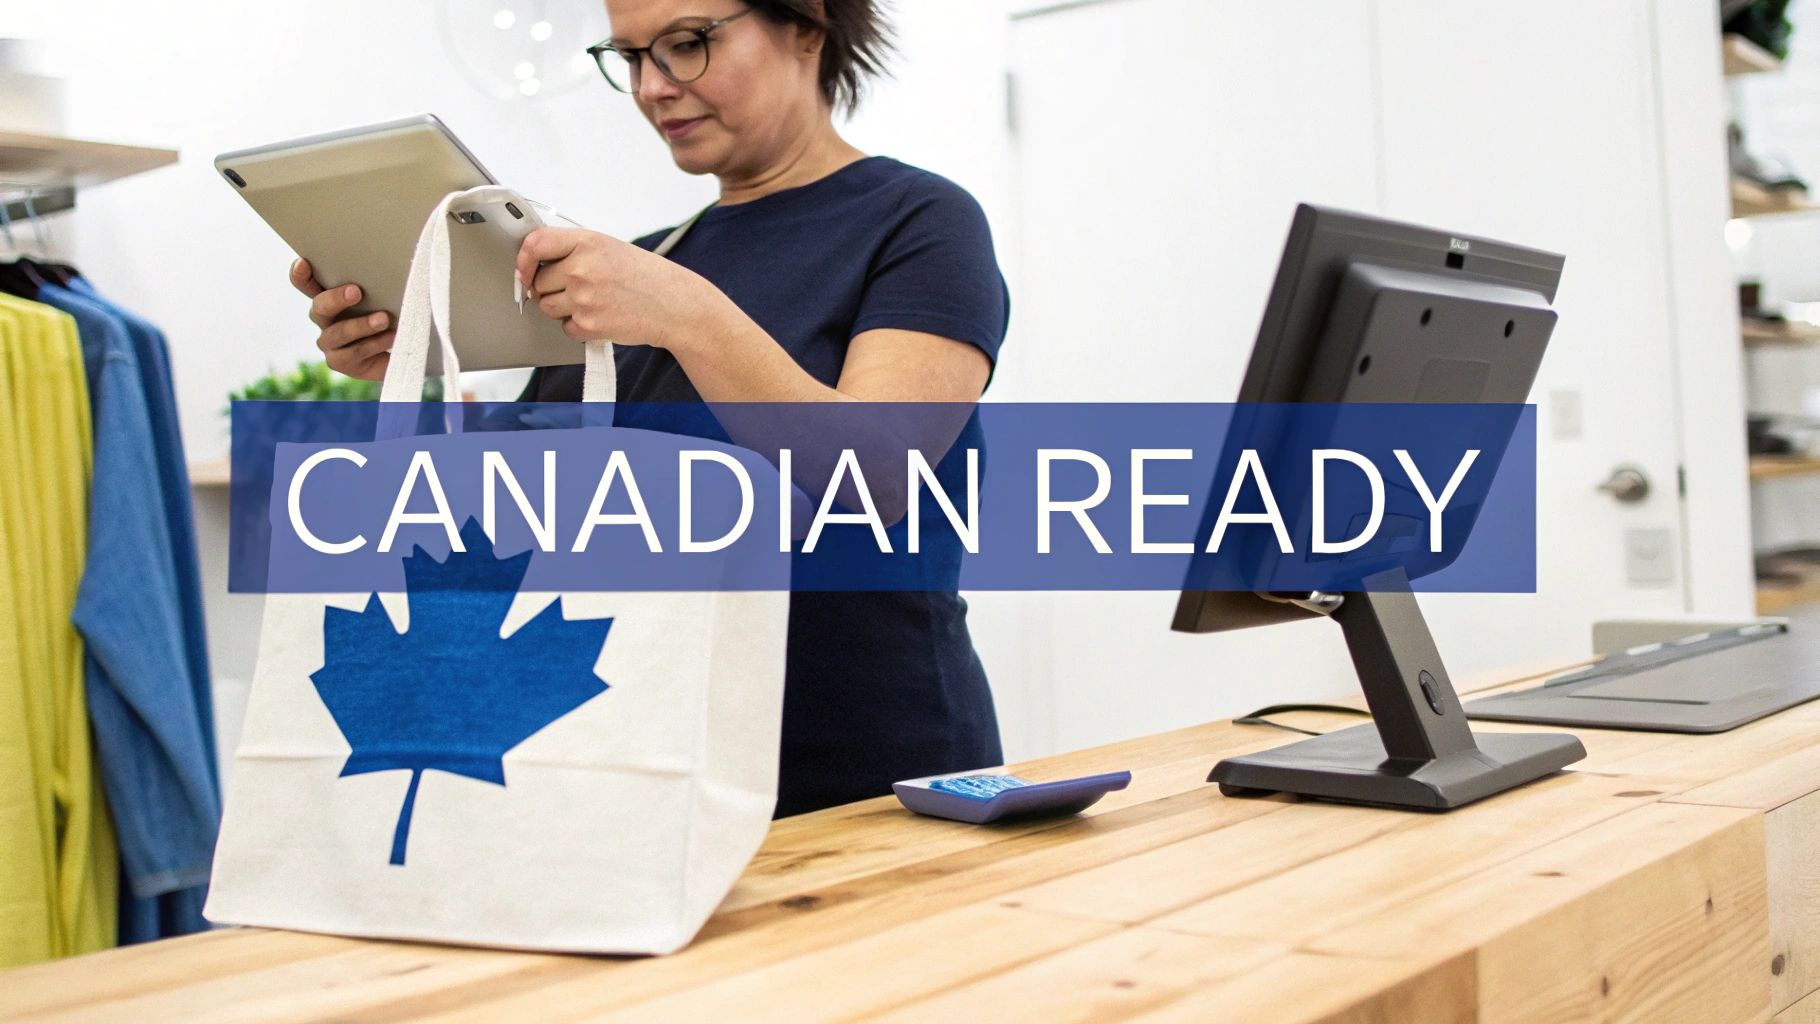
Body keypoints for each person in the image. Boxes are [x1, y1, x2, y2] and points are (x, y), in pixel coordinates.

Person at [287, 0, 1010, 817]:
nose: (653, 86)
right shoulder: (646, 262)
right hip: (646, 780)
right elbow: (536, 511)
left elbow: (877, 472)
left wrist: (684, 313)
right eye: (629, 57)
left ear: (806, 26)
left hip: (867, 772)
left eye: (686, 44)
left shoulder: (918, 222)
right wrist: (412, 358)